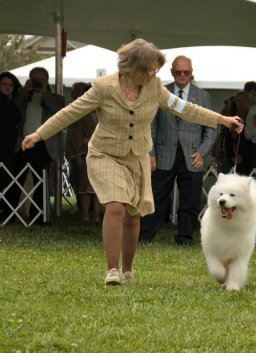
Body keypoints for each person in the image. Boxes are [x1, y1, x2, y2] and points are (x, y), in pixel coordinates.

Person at [21, 38, 243, 285]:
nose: (153, 74)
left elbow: (185, 108)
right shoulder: (103, 88)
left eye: (155, 70)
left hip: (137, 157)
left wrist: (222, 120)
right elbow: (71, 112)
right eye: (150, 69)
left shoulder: (155, 87)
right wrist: (39, 134)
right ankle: (112, 270)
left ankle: (127, 270)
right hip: (106, 154)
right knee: (115, 205)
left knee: (133, 214)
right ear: (133, 67)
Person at [139, 55, 217, 245]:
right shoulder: (160, 92)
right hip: (163, 155)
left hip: (193, 157)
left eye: (186, 72)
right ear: (172, 72)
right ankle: (145, 236)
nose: (182, 75)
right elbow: (151, 126)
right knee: (156, 198)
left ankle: (185, 237)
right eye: (178, 72)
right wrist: (151, 154)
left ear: (191, 73)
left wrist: (202, 152)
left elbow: (211, 128)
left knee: (190, 200)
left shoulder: (203, 96)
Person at [11, 67, 65, 224]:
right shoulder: (24, 97)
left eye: (41, 79)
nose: (37, 82)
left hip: (43, 145)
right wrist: (25, 90)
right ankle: (9, 212)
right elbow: (14, 106)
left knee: (40, 181)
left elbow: (59, 110)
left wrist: (43, 92)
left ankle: (39, 217)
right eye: (34, 79)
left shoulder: (55, 98)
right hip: (22, 143)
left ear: (47, 81)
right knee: (15, 179)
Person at [67, 82, 101, 223]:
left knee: (99, 186)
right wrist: (78, 155)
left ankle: (97, 215)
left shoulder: (104, 111)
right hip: (86, 152)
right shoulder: (81, 113)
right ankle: (86, 215)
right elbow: (77, 136)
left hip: (103, 153)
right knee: (85, 185)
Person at [0, 72, 22, 221]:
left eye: (10, 85)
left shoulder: (13, 103)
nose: (7, 88)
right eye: (4, 84)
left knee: (7, 180)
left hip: (9, 148)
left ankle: (7, 213)